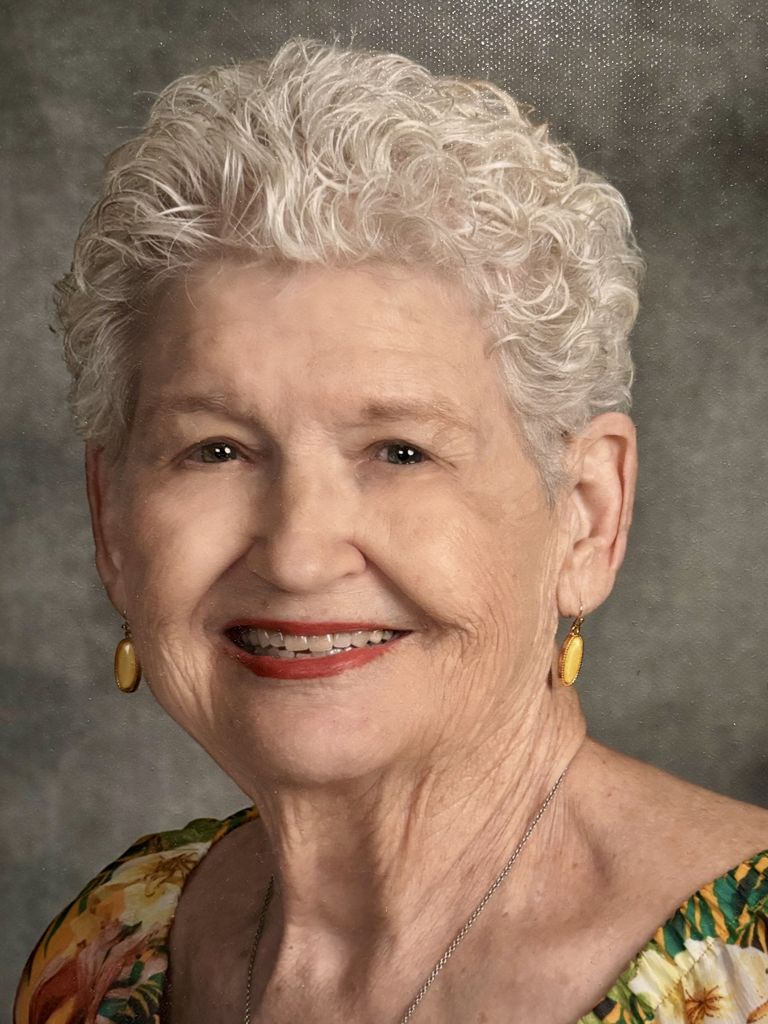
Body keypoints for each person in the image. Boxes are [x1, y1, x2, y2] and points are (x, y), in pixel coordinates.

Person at [14, 36, 767, 1024]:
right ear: (110, 518)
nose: (297, 554)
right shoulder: (107, 947)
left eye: (400, 451)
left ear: (588, 514)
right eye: (216, 450)